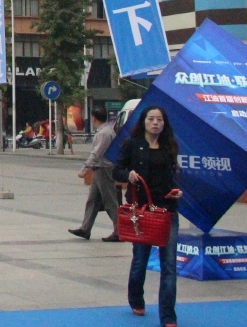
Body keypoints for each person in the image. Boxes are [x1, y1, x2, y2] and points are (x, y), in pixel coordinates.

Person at [112, 106, 183, 327]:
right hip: (142, 211)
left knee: (169, 265)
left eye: (159, 120)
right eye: (151, 119)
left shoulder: (169, 146)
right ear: (143, 122)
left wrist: (175, 192)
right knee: (140, 259)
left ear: (164, 123)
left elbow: (172, 177)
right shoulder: (132, 145)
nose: (155, 123)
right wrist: (129, 175)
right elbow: (116, 171)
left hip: (166, 210)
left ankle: (168, 315)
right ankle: (136, 298)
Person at [69, 107, 120, 242]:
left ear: (94, 118)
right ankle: (85, 229)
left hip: (104, 169)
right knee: (93, 201)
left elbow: (97, 153)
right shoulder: (106, 131)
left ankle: (119, 231)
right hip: (99, 169)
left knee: (110, 202)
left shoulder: (104, 133)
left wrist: (84, 169)